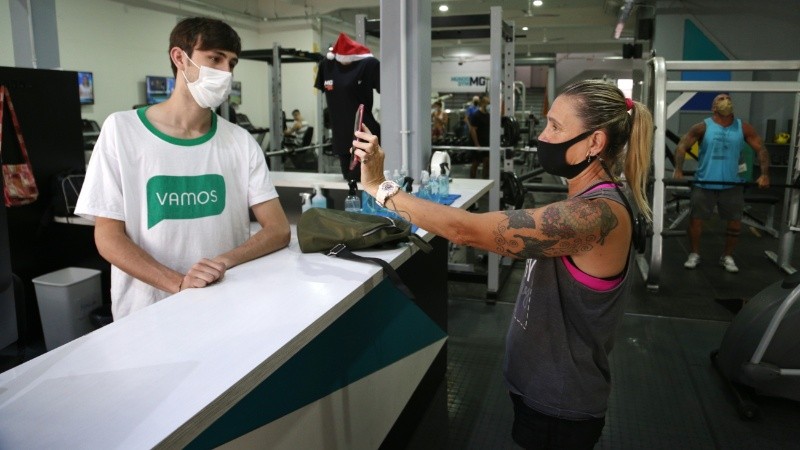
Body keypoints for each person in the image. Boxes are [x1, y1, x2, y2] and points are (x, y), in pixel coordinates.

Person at [352, 79, 653, 449]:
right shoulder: (586, 202)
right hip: (541, 389)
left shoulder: (595, 215)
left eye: (556, 127)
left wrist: (380, 186)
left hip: (560, 404)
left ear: (594, 142)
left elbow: (465, 230)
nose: (543, 136)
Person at [75, 17, 291, 320]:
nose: (225, 72)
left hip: (224, 302)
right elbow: (109, 237)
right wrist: (178, 284)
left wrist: (222, 263)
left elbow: (278, 229)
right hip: (147, 311)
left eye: (231, 63)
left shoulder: (239, 142)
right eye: (214, 58)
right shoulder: (122, 131)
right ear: (180, 57)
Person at [673, 93, 770, 273]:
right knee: (696, 221)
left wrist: (764, 174)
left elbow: (761, 149)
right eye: (720, 99)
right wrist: (678, 168)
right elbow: (682, 146)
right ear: (713, 107)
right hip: (704, 182)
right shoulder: (703, 127)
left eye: (728, 98)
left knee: (734, 222)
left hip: (732, 185)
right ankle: (694, 254)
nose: (725, 101)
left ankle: (727, 256)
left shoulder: (743, 127)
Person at [314, 32, 380, 181]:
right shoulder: (326, 65)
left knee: (369, 184)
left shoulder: (369, 64)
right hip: (341, 138)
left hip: (364, 136)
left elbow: (391, 94)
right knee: (350, 185)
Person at [467, 94, 491, 179]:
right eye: (486, 103)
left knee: (487, 163)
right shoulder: (476, 115)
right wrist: (477, 145)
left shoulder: (489, 115)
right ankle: (472, 183)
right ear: (481, 103)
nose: (488, 105)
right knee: (475, 164)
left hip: (486, 143)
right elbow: (472, 130)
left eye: (489, 103)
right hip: (477, 143)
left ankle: (485, 184)